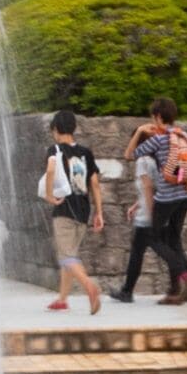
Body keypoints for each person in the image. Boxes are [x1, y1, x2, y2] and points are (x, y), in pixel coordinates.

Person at [117, 96, 187, 304]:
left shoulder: (158, 139)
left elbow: (129, 154)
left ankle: (186, 275)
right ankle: (177, 288)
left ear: (157, 116)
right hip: (185, 195)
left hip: (167, 198)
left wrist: (139, 131)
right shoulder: (184, 135)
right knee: (173, 239)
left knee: (154, 237)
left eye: (152, 117)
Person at [37, 107, 106, 315]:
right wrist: (99, 212)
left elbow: (50, 170)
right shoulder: (86, 153)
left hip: (64, 211)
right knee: (70, 256)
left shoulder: (55, 150)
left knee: (66, 256)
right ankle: (62, 299)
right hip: (83, 212)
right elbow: (94, 184)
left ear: (56, 129)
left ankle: (89, 287)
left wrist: (49, 195)